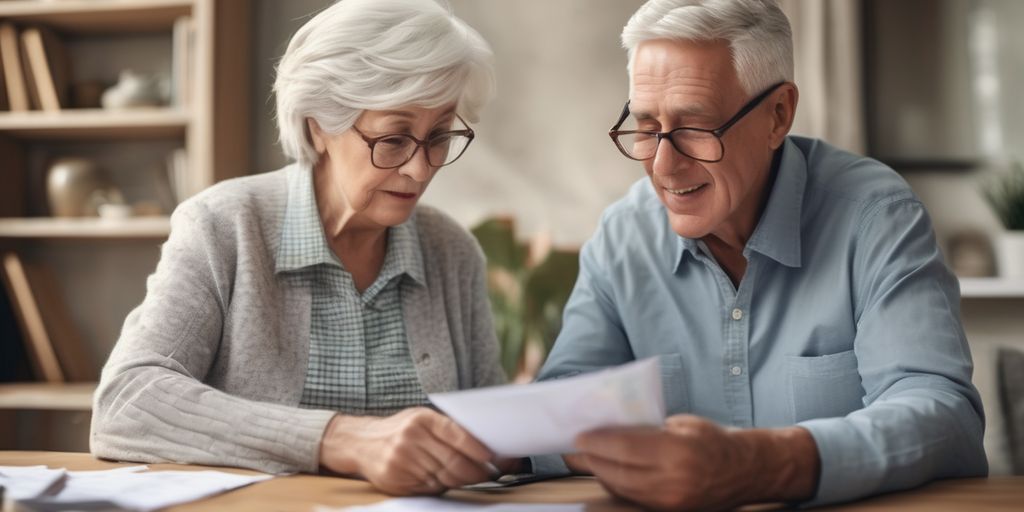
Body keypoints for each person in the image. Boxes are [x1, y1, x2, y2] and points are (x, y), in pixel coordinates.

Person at [533, 0, 988, 509]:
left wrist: (765, 463)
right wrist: (500, 443)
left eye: (693, 128)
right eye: (645, 127)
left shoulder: (875, 216)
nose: (663, 165)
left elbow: (945, 419)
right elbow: (558, 410)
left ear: (778, 115)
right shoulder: (623, 235)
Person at [91, 0, 507, 496]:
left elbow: (497, 425)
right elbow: (126, 404)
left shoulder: (451, 250)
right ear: (319, 125)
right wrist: (341, 439)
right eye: (394, 139)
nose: (421, 170)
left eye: (439, 137)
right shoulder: (225, 226)